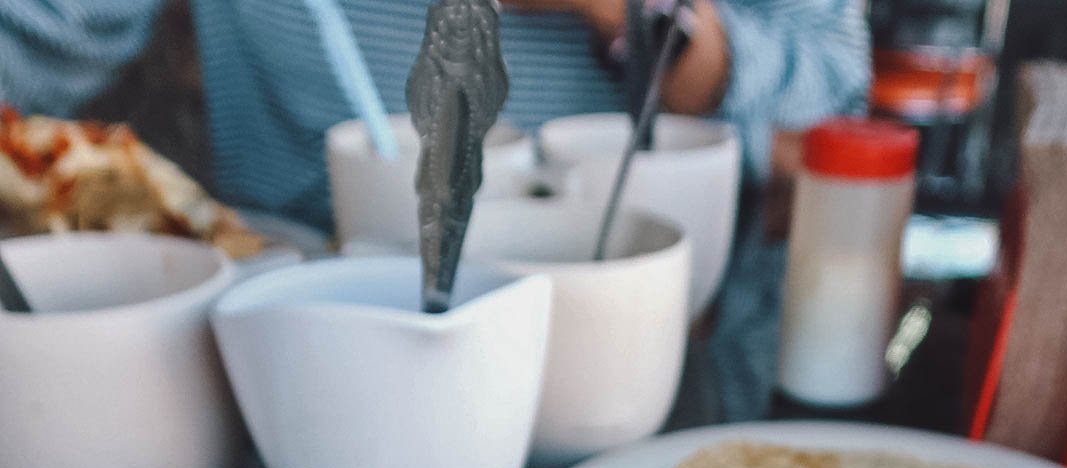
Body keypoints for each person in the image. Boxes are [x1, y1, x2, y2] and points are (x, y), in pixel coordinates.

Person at [0, 1, 869, 226]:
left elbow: (832, 79)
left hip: (635, 286)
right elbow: (49, 38)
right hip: (296, 275)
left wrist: (625, 10)